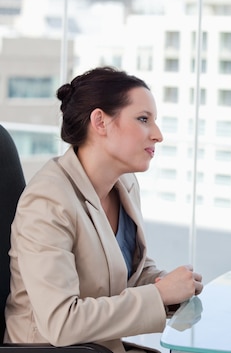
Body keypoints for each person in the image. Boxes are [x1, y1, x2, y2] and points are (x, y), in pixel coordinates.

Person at [4, 67, 203, 353]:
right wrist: (158, 294)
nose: (157, 135)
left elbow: (125, 272)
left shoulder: (125, 184)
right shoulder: (48, 202)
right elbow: (62, 322)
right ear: (100, 121)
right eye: (143, 119)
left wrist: (169, 286)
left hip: (101, 347)